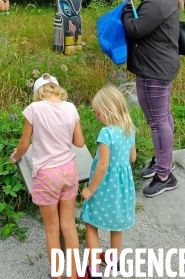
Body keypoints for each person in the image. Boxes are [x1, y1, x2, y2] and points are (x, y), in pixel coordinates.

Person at [10, 73, 85, 279]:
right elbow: (79, 142)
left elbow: (25, 144)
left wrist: (16, 156)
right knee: (68, 226)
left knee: (52, 229)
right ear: (56, 88)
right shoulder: (70, 107)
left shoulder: (34, 109)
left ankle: (58, 275)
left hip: (47, 174)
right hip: (69, 170)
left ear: (38, 92)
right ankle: (74, 274)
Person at [122, 0, 180, 197]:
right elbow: (149, 10)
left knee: (158, 122)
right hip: (163, 65)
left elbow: (134, 29)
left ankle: (164, 175)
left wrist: (127, 7)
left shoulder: (155, 5)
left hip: (152, 70)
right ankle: (163, 161)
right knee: (164, 116)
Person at [80, 84, 136, 278]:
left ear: (108, 110)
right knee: (116, 225)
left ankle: (93, 269)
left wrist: (90, 189)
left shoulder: (106, 133)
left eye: (97, 114)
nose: (97, 118)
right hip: (122, 188)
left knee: (90, 223)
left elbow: (103, 165)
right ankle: (115, 260)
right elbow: (132, 158)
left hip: (103, 187)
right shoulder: (129, 129)